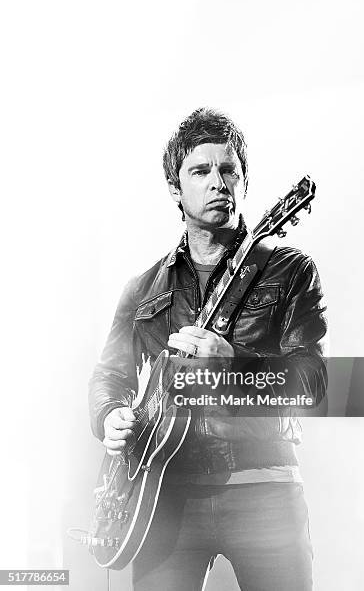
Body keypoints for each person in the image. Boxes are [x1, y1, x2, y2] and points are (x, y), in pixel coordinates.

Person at [89, 107, 327, 591]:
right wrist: (108, 415)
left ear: (243, 181)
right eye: (200, 171)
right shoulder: (143, 288)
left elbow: (317, 385)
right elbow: (108, 378)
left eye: (229, 170)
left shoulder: (289, 270)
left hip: (263, 487)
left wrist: (235, 364)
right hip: (162, 494)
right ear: (176, 189)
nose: (218, 182)